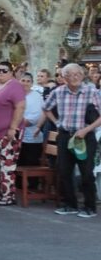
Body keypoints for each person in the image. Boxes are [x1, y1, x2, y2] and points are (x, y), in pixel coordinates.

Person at [40, 62, 101, 217]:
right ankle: (70, 204)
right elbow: (46, 108)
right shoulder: (58, 92)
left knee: (86, 172)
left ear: (82, 75)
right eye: (70, 75)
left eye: (77, 74)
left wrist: (87, 129)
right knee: (64, 171)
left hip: (85, 136)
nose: (74, 77)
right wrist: (57, 123)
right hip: (65, 135)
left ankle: (89, 207)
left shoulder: (91, 91)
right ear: (64, 77)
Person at [0, 60, 26, 206]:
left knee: (7, 164)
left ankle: (8, 195)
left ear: (11, 72)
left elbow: (20, 107)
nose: (1, 73)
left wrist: (13, 127)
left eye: (4, 70)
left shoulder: (15, 86)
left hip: (8, 133)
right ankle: (0, 192)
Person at [18, 72, 45, 168]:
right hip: (15, 138)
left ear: (32, 83)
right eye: (23, 80)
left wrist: (14, 119)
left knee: (30, 164)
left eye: (28, 81)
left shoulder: (36, 97)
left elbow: (29, 121)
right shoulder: (15, 95)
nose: (25, 83)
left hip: (31, 138)